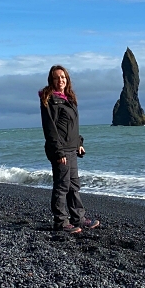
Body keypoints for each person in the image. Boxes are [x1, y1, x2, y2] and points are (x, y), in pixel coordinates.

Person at [40, 65, 100, 234]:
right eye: (57, 77)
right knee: (62, 186)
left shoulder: (68, 99)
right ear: (51, 80)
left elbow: (71, 126)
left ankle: (78, 218)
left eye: (63, 77)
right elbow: (50, 128)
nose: (61, 80)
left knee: (74, 185)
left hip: (71, 149)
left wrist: (79, 143)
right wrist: (58, 152)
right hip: (60, 150)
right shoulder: (49, 99)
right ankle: (60, 221)